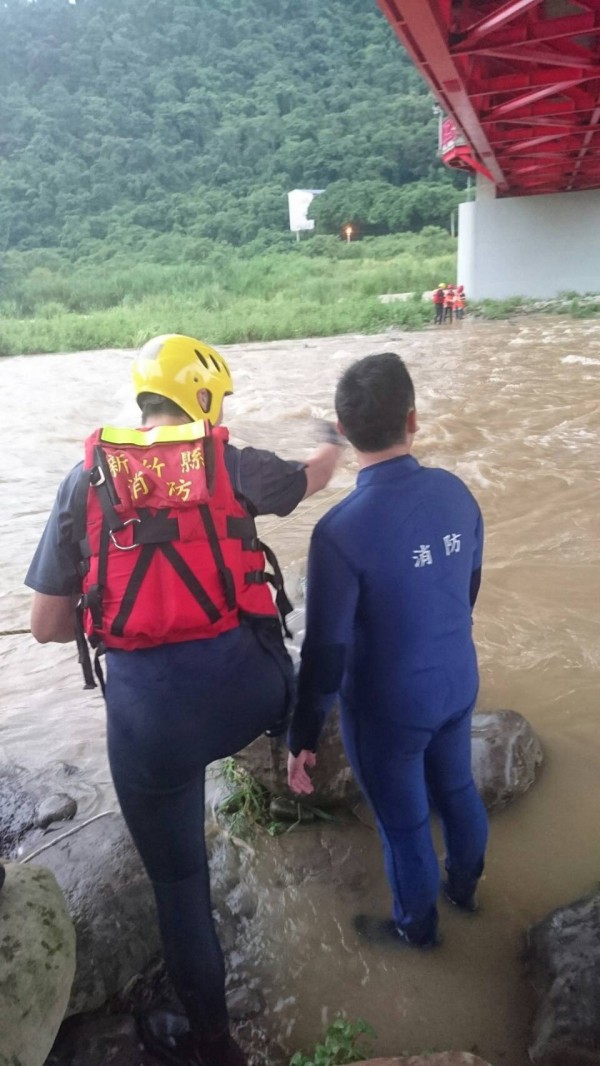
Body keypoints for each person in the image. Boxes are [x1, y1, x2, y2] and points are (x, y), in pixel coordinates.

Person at [25, 334, 344, 1066]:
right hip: (252, 695)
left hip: (152, 724)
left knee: (178, 884)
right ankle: (290, 748)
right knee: (275, 660)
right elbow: (313, 477)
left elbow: (46, 626)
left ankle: (213, 1043)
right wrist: (330, 439)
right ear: (203, 401)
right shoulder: (231, 462)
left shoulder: (86, 481)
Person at [287, 352, 488, 950]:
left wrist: (302, 737)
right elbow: (467, 590)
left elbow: (325, 654)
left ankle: (417, 932)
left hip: (389, 707)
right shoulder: (457, 493)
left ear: (343, 433)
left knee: (404, 829)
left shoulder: (340, 531)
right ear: (414, 420)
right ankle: (468, 895)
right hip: (457, 679)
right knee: (457, 791)